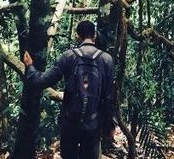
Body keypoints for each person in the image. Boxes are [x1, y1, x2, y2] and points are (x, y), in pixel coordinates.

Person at [23, 20, 116, 159]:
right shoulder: (107, 60)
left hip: (70, 122)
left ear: (78, 36)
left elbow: (41, 81)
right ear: (95, 35)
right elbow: (109, 97)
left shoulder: (68, 57)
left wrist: (30, 66)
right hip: (92, 124)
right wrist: (109, 125)